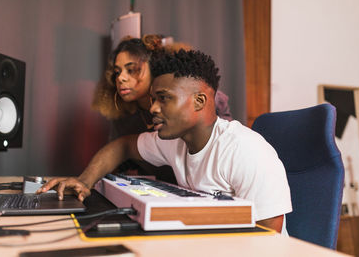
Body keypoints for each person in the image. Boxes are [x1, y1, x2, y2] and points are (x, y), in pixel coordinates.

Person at [38, 49, 292, 233]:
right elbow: (123, 146)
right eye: (152, 100)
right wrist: (84, 181)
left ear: (199, 101)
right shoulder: (174, 142)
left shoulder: (246, 150)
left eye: (163, 98)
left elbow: (266, 240)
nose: (154, 109)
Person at [92, 35, 232, 182]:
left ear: (153, 67)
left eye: (132, 69)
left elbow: (222, 147)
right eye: (117, 72)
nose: (121, 78)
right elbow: (119, 158)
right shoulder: (123, 116)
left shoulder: (202, 100)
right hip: (157, 189)